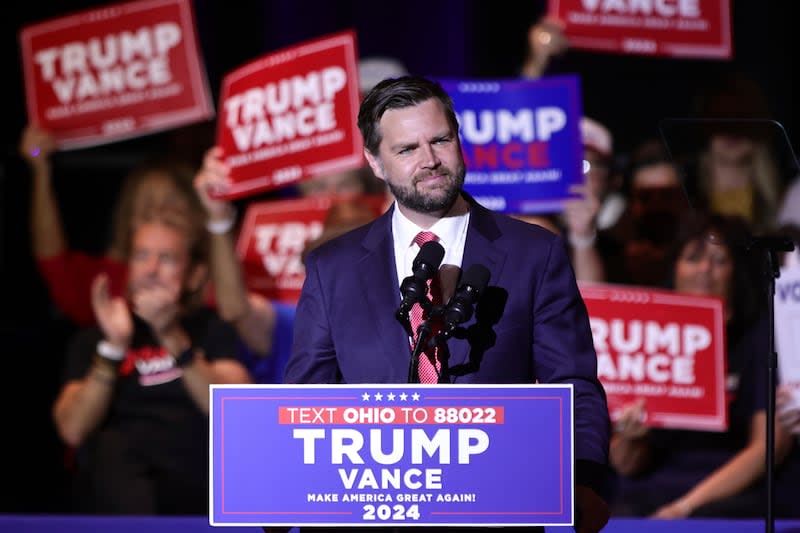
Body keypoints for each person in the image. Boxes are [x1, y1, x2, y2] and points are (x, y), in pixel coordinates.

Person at [284, 75, 610, 532]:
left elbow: (572, 382)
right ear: (375, 163)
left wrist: (583, 480)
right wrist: (281, 491)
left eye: (440, 140)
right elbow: (304, 402)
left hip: (497, 512)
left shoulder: (535, 254)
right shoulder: (332, 268)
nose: (430, 160)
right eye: (407, 149)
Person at [52, 209, 251, 514]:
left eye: (167, 258)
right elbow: (73, 429)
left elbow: (237, 411)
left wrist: (171, 336)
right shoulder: (95, 339)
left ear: (195, 275)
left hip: (195, 482)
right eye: (141, 256)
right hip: (120, 489)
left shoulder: (213, 329)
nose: (151, 269)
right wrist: (114, 348)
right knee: (114, 449)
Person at [608, 209, 796, 518]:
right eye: (693, 258)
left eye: (719, 260)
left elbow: (769, 448)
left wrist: (684, 508)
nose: (705, 270)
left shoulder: (763, 334)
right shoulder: (645, 335)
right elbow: (627, 465)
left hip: (736, 490)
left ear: (737, 271)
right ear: (675, 268)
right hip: (652, 487)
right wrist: (631, 437)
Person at [19, 124, 204, 328]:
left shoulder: (214, 277)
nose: (157, 222)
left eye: (169, 212)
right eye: (148, 210)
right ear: (129, 217)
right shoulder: (107, 284)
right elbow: (53, 262)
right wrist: (40, 167)